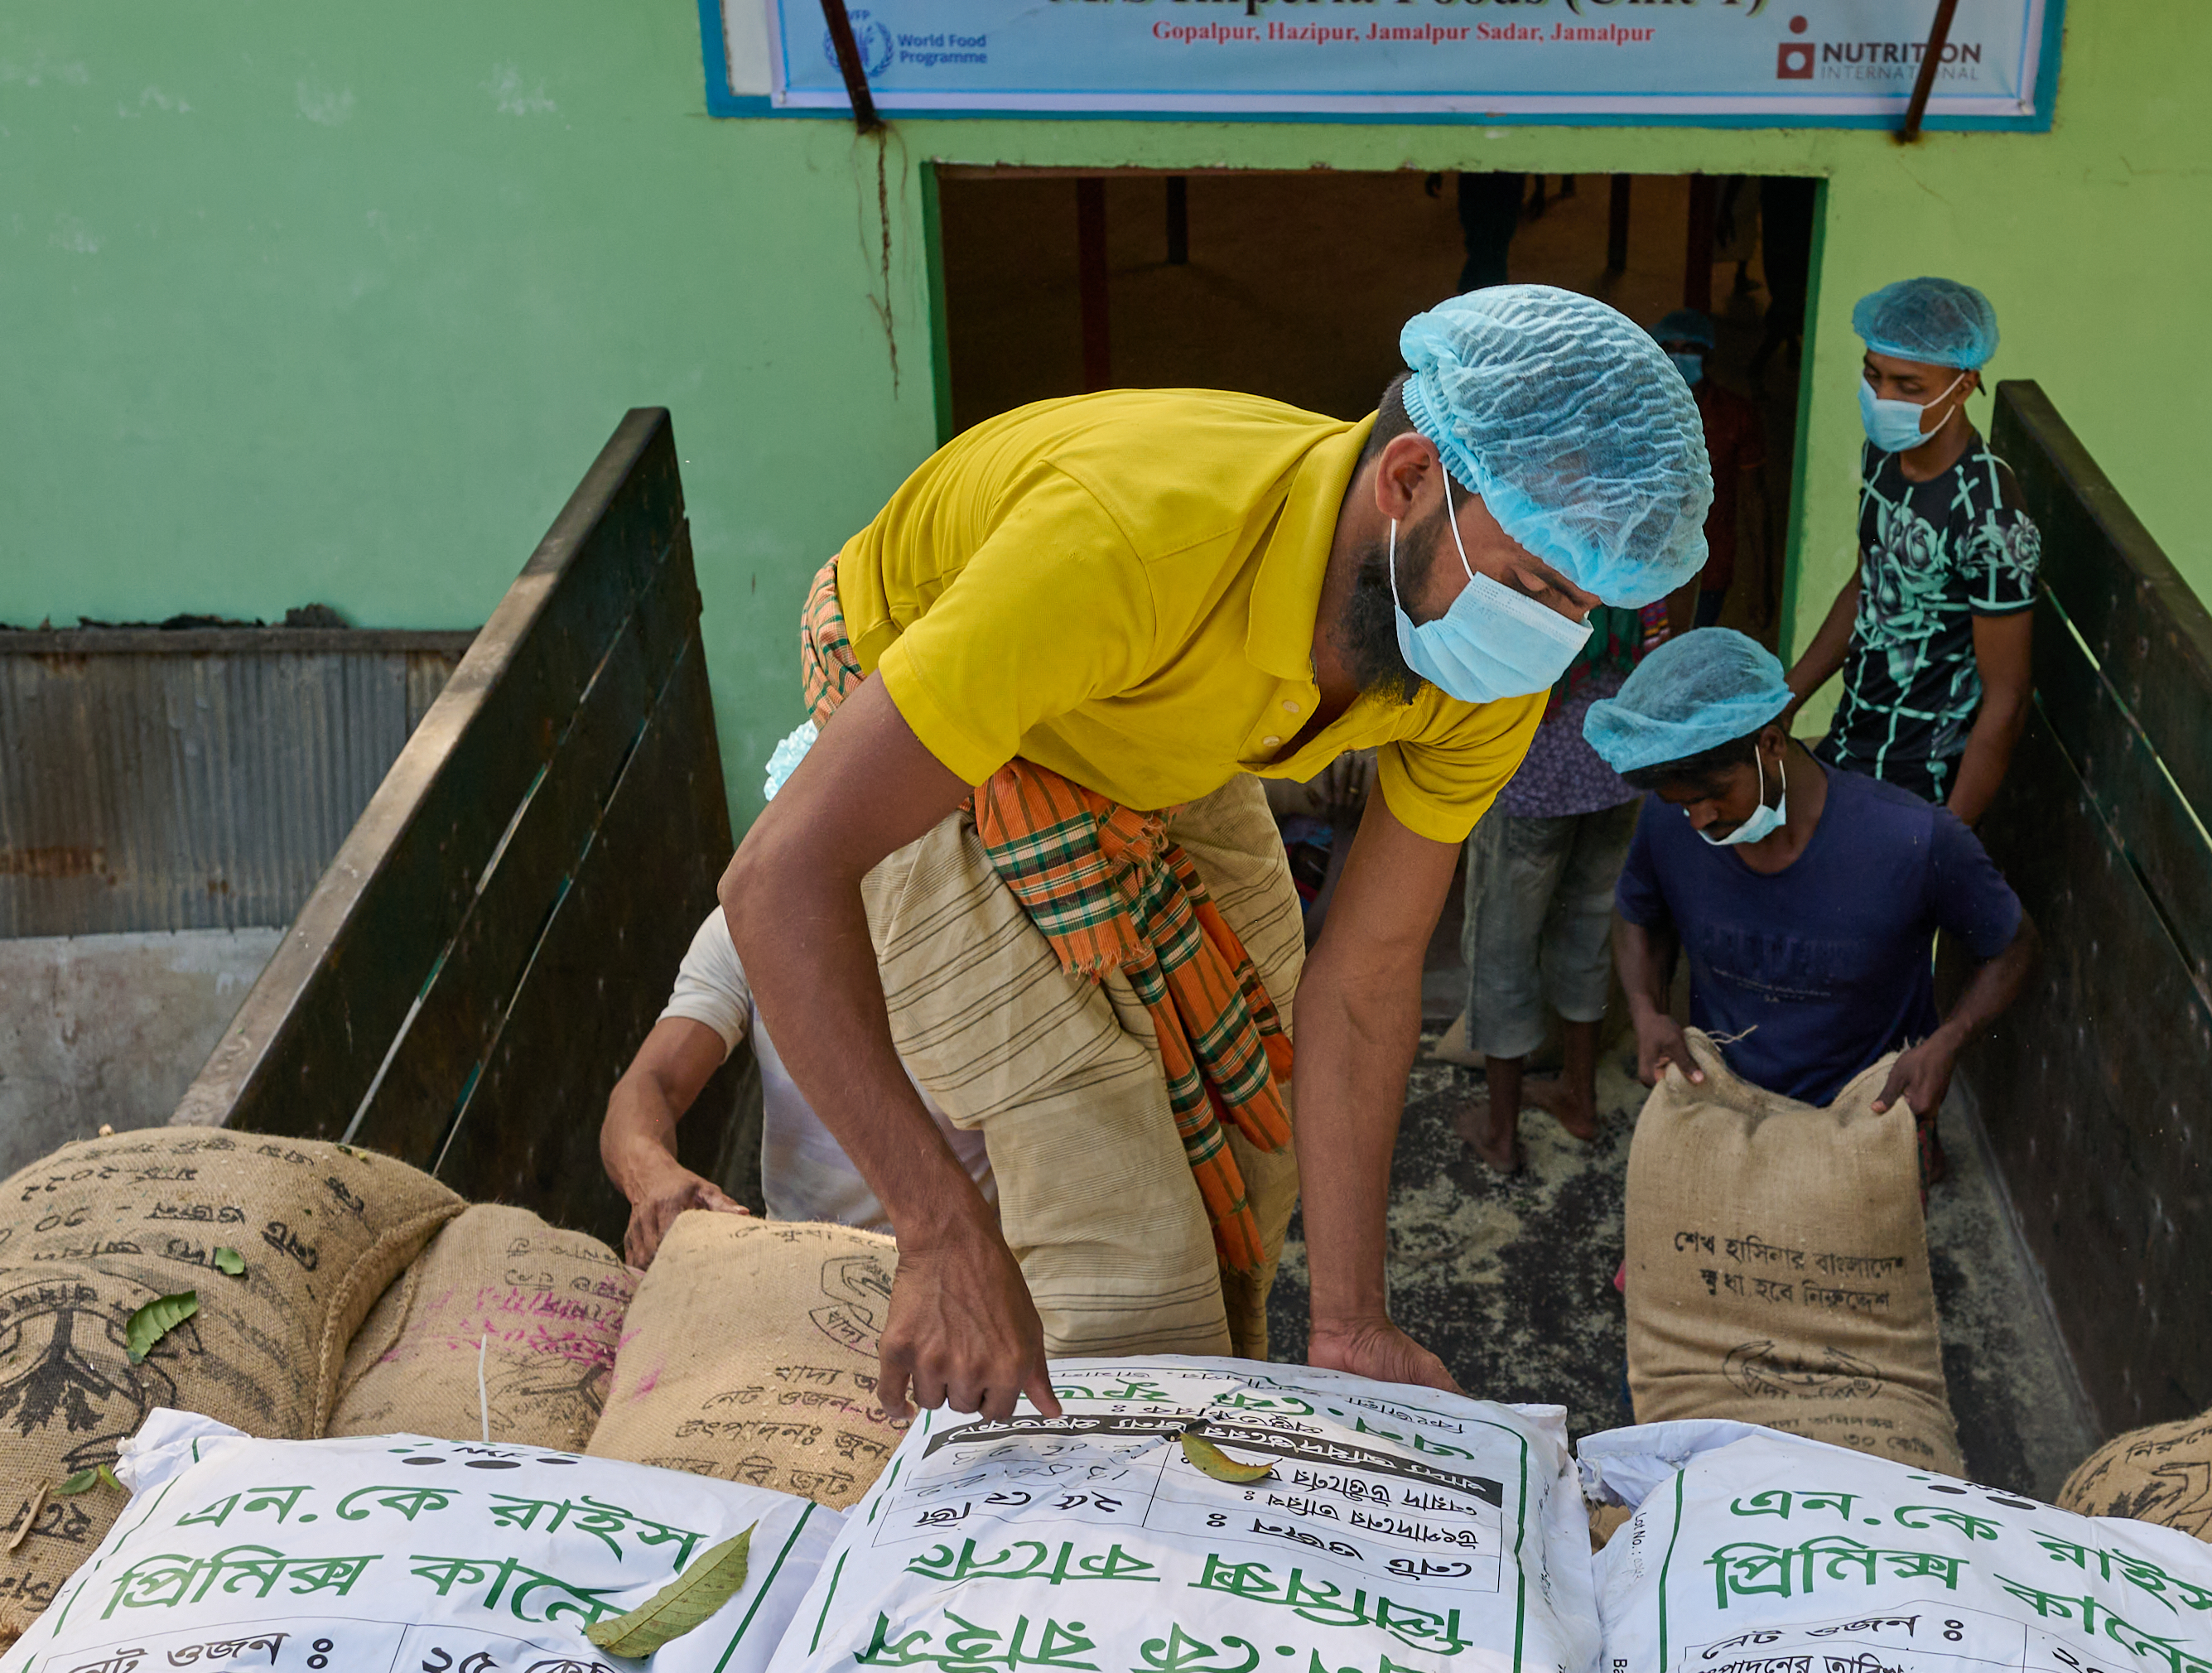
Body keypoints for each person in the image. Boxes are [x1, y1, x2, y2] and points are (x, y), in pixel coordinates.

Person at [726, 285, 1710, 1418]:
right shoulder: (1129, 543)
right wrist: (939, 1232)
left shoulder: (1487, 666)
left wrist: (1350, 1319)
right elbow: (777, 879)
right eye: (1536, 583)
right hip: (937, 702)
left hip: (1143, 722)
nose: (1551, 636)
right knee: (1129, 1248)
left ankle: (1216, 1382)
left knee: (1262, 1125)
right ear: (1405, 482)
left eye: (1585, 605)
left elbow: (1369, 975)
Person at [1593, 629, 2031, 1138]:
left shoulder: (1911, 838)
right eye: (1683, 804)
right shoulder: (1667, 823)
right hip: (1727, 1117)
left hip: (1862, 1126)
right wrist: (1646, 1011)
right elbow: (1636, 913)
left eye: (1714, 795)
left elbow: (2014, 946)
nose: (1699, 819)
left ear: (1771, 743)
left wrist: (1948, 1042)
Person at [600, 723, 996, 1265]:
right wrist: (652, 1171)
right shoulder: (748, 930)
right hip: (801, 1258)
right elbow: (651, 1084)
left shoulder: (984, 936)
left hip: (967, 1261)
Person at [1786, 275, 2036, 825]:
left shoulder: (1990, 516)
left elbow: (2008, 699)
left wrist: (1948, 839)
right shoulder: (1883, 455)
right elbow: (1867, 584)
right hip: (1852, 740)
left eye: (1909, 386)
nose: (1883, 400)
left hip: (1921, 780)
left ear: (1964, 386)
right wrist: (1786, 700)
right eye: (1873, 376)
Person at [1458, 600, 1660, 1177]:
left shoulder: (1539, 548)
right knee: (1590, 930)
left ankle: (1501, 1134)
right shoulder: (1639, 552)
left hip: (1531, 771)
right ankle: (1579, 1098)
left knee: (1502, 946)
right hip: (1616, 763)